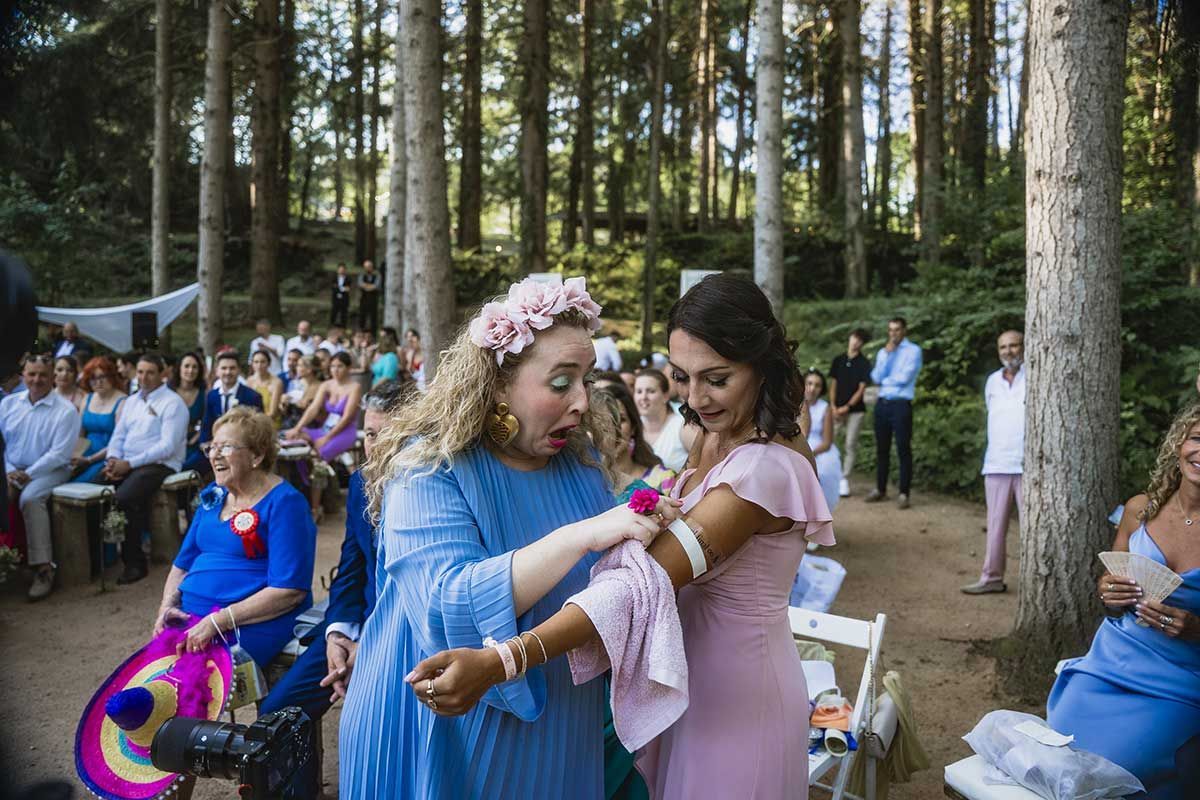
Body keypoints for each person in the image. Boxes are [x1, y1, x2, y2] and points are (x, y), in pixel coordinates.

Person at [405, 273, 835, 800]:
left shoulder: (762, 470)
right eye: (683, 377)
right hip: (683, 684)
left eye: (717, 378)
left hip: (740, 695)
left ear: (761, 364)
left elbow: (638, 585)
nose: (697, 397)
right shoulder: (710, 435)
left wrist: (502, 660)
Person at [338, 276, 679, 798]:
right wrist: (584, 535)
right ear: (498, 384)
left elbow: (603, 586)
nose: (582, 401)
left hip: (559, 725)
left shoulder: (580, 466)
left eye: (587, 380)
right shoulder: (428, 468)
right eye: (561, 383)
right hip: (448, 722)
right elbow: (444, 605)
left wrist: (643, 537)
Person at [258, 380, 410, 796]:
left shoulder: (435, 485)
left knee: (370, 731)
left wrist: (374, 642)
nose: (374, 448)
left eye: (387, 436)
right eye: (369, 435)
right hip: (355, 627)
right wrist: (339, 633)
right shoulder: (360, 483)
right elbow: (350, 569)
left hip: (407, 637)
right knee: (280, 711)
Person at [1047, 402, 1200, 800]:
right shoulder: (1140, 509)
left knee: (1119, 766)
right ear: (1179, 444)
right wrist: (1109, 592)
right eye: (1198, 439)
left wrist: (1196, 628)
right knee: (1063, 746)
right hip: (1113, 658)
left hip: (1183, 675)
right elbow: (1112, 585)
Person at [154, 405, 316, 672]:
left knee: (193, 677)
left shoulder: (286, 503)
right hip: (196, 619)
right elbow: (182, 564)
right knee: (149, 678)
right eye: (212, 447)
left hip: (250, 622)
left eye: (226, 447)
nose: (215, 455)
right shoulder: (214, 495)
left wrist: (218, 621)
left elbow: (289, 591)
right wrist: (166, 607)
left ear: (256, 456)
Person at [101, 353, 190, 585]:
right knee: (96, 491)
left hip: (160, 465)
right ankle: (98, 559)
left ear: (162, 374)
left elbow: (167, 446)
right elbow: (118, 435)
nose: (144, 377)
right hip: (127, 462)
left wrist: (129, 464)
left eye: (150, 372)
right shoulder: (131, 401)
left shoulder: (173, 403)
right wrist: (113, 460)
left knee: (124, 498)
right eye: (140, 372)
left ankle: (135, 563)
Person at [1, 355, 80, 599]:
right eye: (32, 374)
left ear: (52, 377)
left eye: (43, 375)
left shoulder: (66, 411)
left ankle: (44, 568)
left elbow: (59, 454)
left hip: (51, 470)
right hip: (12, 468)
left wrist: (27, 474)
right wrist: (8, 470)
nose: (37, 380)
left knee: (31, 498)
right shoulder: (8, 404)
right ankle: (9, 559)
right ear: (23, 375)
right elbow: (2, 444)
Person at [963, 330, 1025, 595]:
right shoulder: (992, 381)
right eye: (1003, 347)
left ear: (1024, 347)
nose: (1008, 351)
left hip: (1028, 465)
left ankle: (1036, 583)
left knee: (1033, 529)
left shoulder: (1035, 376)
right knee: (996, 525)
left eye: (1014, 345)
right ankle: (992, 577)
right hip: (996, 462)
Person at [285, 351, 362, 519]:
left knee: (319, 456)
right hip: (325, 429)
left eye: (340, 366)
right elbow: (313, 409)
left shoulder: (354, 387)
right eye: (333, 366)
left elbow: (347, 417)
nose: (335, 370)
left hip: (345, 431)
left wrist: (326, 438)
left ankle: (315, 509)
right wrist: (297, 428)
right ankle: (307, 485)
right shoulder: (327, 384)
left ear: (348, 368)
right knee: (297, 438)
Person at [866, 317, 923, 509]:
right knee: (882, 449)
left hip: (901, 404)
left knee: (903, 448)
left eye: (897, 329)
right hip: (882, 404)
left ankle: (904, 493)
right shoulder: (883, 352)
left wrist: (885, 381)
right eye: (890, 330)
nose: (893, 334)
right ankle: (880, 489)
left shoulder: (913, 351)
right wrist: (887, 357)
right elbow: (875, 377)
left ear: (904, 330)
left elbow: (905, 378)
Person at [594, 384, 675, 503]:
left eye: (620, 420)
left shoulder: (663, 478)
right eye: (603, 422)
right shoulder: (587, 484)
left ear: (633, 427)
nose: (612, 430)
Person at [828, 328, 871, 497]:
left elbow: (861, 389)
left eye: (859, 340)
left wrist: (847, 407)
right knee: (829, 441)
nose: (855, 342)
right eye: (854, 338)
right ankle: (826, 472)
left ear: (862, 344)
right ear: (850, 338)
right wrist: (833, 406)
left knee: (850, 444)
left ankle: (844, 478)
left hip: (855, 411)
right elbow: (833, 384)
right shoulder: (838, 360)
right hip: (835, 409)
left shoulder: (864, 363)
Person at [72, 357, 128, 484]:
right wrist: (76, 457)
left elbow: (119, 441)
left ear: (112, 377)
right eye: (93, 378)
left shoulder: (123, 401)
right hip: (85, 453)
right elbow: (80, 434)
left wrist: (89, 460)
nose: (98, 382)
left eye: (103, 377)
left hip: (109, 456)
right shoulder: (87, 399)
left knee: (86, 483)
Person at [635, 369, 696, 472]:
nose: (643, 397)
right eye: (639, 391)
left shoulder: (682, 426)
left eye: (651, 391)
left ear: (665, 396)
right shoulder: (633, 427)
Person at [200, 351, 264, 447]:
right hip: (215, 446)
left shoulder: (253, 397)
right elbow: (207, 424)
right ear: (217, 371)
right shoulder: (212, 395)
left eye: (232, 368)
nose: (228, 372)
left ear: (238, 370)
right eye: (224, 368)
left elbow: (259, 428)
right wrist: (204, 444)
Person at [804, 369, 843, 514]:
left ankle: (819, 513)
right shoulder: (793, 405)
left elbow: (827, 441)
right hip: (798, 443)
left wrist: (809, 453)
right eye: (809, 383)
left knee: (824, 472)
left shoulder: (825, 408)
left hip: (818, 448)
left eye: (817, 385)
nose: (812, 388)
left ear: (821, 389)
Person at [171, 352, 208, 474]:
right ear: (179, 368)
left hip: (193, 442)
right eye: (186, 366)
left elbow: (207, 421)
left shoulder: (204, 393)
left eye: (194, 367)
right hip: (170, 441)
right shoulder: (168, 391)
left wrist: (197, 437)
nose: (190, 370)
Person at [246, 349, 285, 428]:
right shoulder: (249, 381)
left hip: (270, 423)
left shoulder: (276, 382)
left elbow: (273, 413)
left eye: (263, 362)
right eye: (256, 362)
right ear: (252, 364)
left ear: (269, 363)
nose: (259, 365)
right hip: (252, 423)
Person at [358, 260, 380, 333]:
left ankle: (373, 333)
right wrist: (370, 286)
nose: (367, 268)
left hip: (373, 300)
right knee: (362, 316)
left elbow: (376, 286)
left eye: (369, 267)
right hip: (363, 299)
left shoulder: (377, 276)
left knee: (373, 317)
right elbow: (360, 284)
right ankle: (361, 332)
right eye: (366, 267)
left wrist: (366, 286)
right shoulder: (362, 275)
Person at [331, 263, 352, 328]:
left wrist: (339, 288)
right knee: (334, 312)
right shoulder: (334, 278)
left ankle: (343, 327)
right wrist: (343, 288)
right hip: (336, 299)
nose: (341, 271)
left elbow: (348, 289)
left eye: (343, 270)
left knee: (344, 313)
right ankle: (332, 326)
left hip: (344, 299)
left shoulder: (348, 279)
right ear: (338, 270)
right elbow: (333, 288)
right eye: (340, 270)